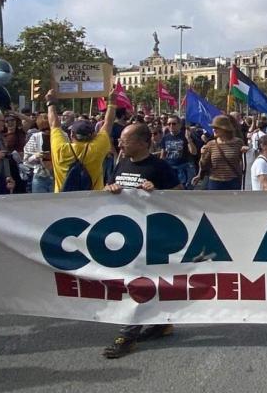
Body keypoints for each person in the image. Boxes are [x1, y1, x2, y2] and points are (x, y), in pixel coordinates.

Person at [101, 122, 182, 359]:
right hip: (125, 236)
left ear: (143, 142)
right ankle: (160, 324)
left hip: (152, 237)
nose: (120, 143)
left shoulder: (159, 167)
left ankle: (127, 336)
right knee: (139, 283)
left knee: (138, 284)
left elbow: (180, 194)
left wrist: (158, 192)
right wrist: (111, 187)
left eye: (125, 140)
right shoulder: (122, 163)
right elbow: (111, 185)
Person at [47, 88, 117, 192]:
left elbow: (54, 124)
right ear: (93, 135)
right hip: (92, 201)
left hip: (62, 202)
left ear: (71, 134)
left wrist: (50, 103)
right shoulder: (97, 148)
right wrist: (111, 103)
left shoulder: (60, 149)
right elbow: (108, 123)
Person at [192, 115, 245, 190]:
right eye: (213, 128)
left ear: (225, 129)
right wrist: (203, 155)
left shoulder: (238, 143)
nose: (213, 130)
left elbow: (243, 162)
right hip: (215, 182)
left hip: (233, 182)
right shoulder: (210, 144)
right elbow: (204, 165)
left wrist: (246, 152)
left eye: (216, 128)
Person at [160, 116, 197, 188]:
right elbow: (163, 155)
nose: (171, 126)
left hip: (183, 169)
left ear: (179, 125)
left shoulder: (185, 136)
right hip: (170, 169)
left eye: (174, 123)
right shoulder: (165, 137)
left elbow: (194, 152)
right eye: (169, 124)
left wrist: (189, 139)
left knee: (183, 191)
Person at [22, 114, 54, 193]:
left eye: (48, 128)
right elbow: (26, 160)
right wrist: (35, 156)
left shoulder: (62, 136)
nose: (47, 131)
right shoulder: (35, 137)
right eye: (43, 129)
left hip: (57, 175)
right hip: (40, 176)